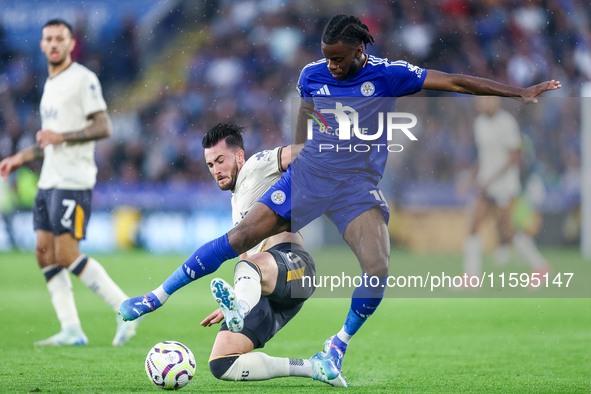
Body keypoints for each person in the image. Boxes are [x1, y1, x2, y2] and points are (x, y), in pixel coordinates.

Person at [120, 14, 560, 380]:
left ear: (359, 52)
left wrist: (518, 92)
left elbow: (456, 83)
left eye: (338, 58)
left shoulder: (388, 74)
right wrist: (296, 158)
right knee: (242, 235)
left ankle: (337, 346)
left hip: (355, 186)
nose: (330, 65)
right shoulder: (311, 75)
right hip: (312, 175)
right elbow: (305, 117)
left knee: (378, 265)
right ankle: (155, 297)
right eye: (327, 57)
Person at [0, 19, 141, 346]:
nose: (53, 44)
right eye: (47, 38)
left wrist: (61, 136)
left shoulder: (82, 79)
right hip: (49, 179)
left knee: (66, 253)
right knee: (44, 252)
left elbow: (103, 126)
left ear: (70, 43)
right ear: (41, 44)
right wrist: (21, 157)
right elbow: (52, 140)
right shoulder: (51, 84)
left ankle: (127, 309)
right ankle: (71, 329)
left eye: (59, 38)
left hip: (73, 180)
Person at [195, 123, 346, 386]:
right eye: (210, 165)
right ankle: (313, 367)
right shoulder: (237, 204)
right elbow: (245, 257)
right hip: (268, 289)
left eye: (220, 160)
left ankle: (240, 308)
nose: (216, 170)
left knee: (250, 267)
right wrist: (239, 292)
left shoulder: (255, 166)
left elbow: (298, 153)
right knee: (222, 363)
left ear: (239, 156)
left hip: (296, 268)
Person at [462, 96, 550, 280]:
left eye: (486, 100)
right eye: (480, 101)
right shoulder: (480, 123)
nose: (482, 104)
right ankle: (471, 277)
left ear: (496, 101)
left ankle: (540, 266)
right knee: (473, 226)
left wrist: (491, 179)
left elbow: (514, 157)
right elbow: (484, 156)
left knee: (508, 231)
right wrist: (471, 178)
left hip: (505, 186)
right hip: (486, 186)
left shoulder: (506, 123)